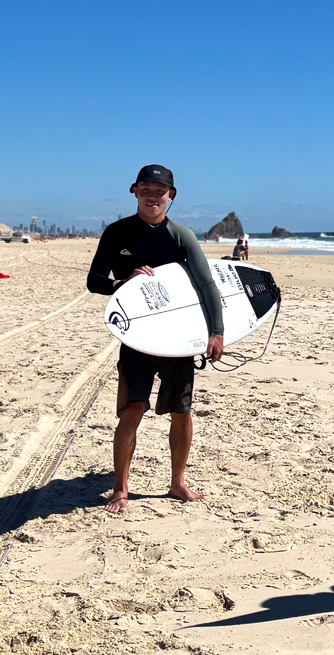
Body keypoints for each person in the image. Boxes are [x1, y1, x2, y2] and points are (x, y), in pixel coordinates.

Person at [86, 164, 224, 514]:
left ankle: (177, 482)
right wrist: (124, 283)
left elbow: (207, 284)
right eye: (145, 189)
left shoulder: (181, 236)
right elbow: (95, 281)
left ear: (171, 196)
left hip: (178, 339)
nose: (152, 196)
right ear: (134, 191)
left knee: (181, 411)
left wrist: (217, 331)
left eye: (159, 191)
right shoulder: (117, 233)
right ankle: (120, 488)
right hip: (137, 339)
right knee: (132, 410)